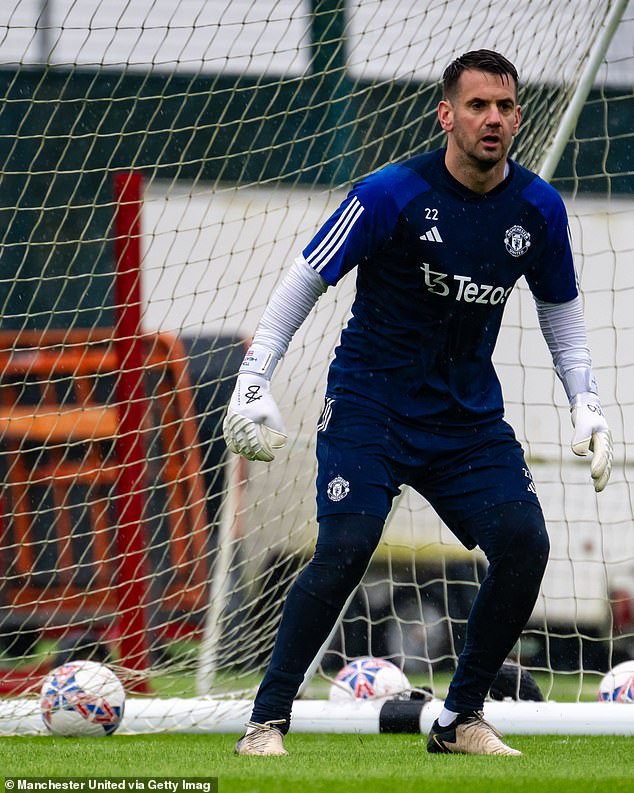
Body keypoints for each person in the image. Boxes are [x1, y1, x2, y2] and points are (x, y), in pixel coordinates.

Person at [223, 49, 613, 756]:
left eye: (504, 107)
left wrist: (586, 401)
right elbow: (304, 279)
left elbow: (563, 312)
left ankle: (460, 718)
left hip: (466, 420)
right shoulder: (390, 194)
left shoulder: (537, 208)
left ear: (518, 116)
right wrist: (254, 377)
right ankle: (267, 720)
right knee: (346, 544)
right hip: (371, 405)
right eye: (476, 105)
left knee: (526, 545)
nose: (491, 119)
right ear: (446, 114)